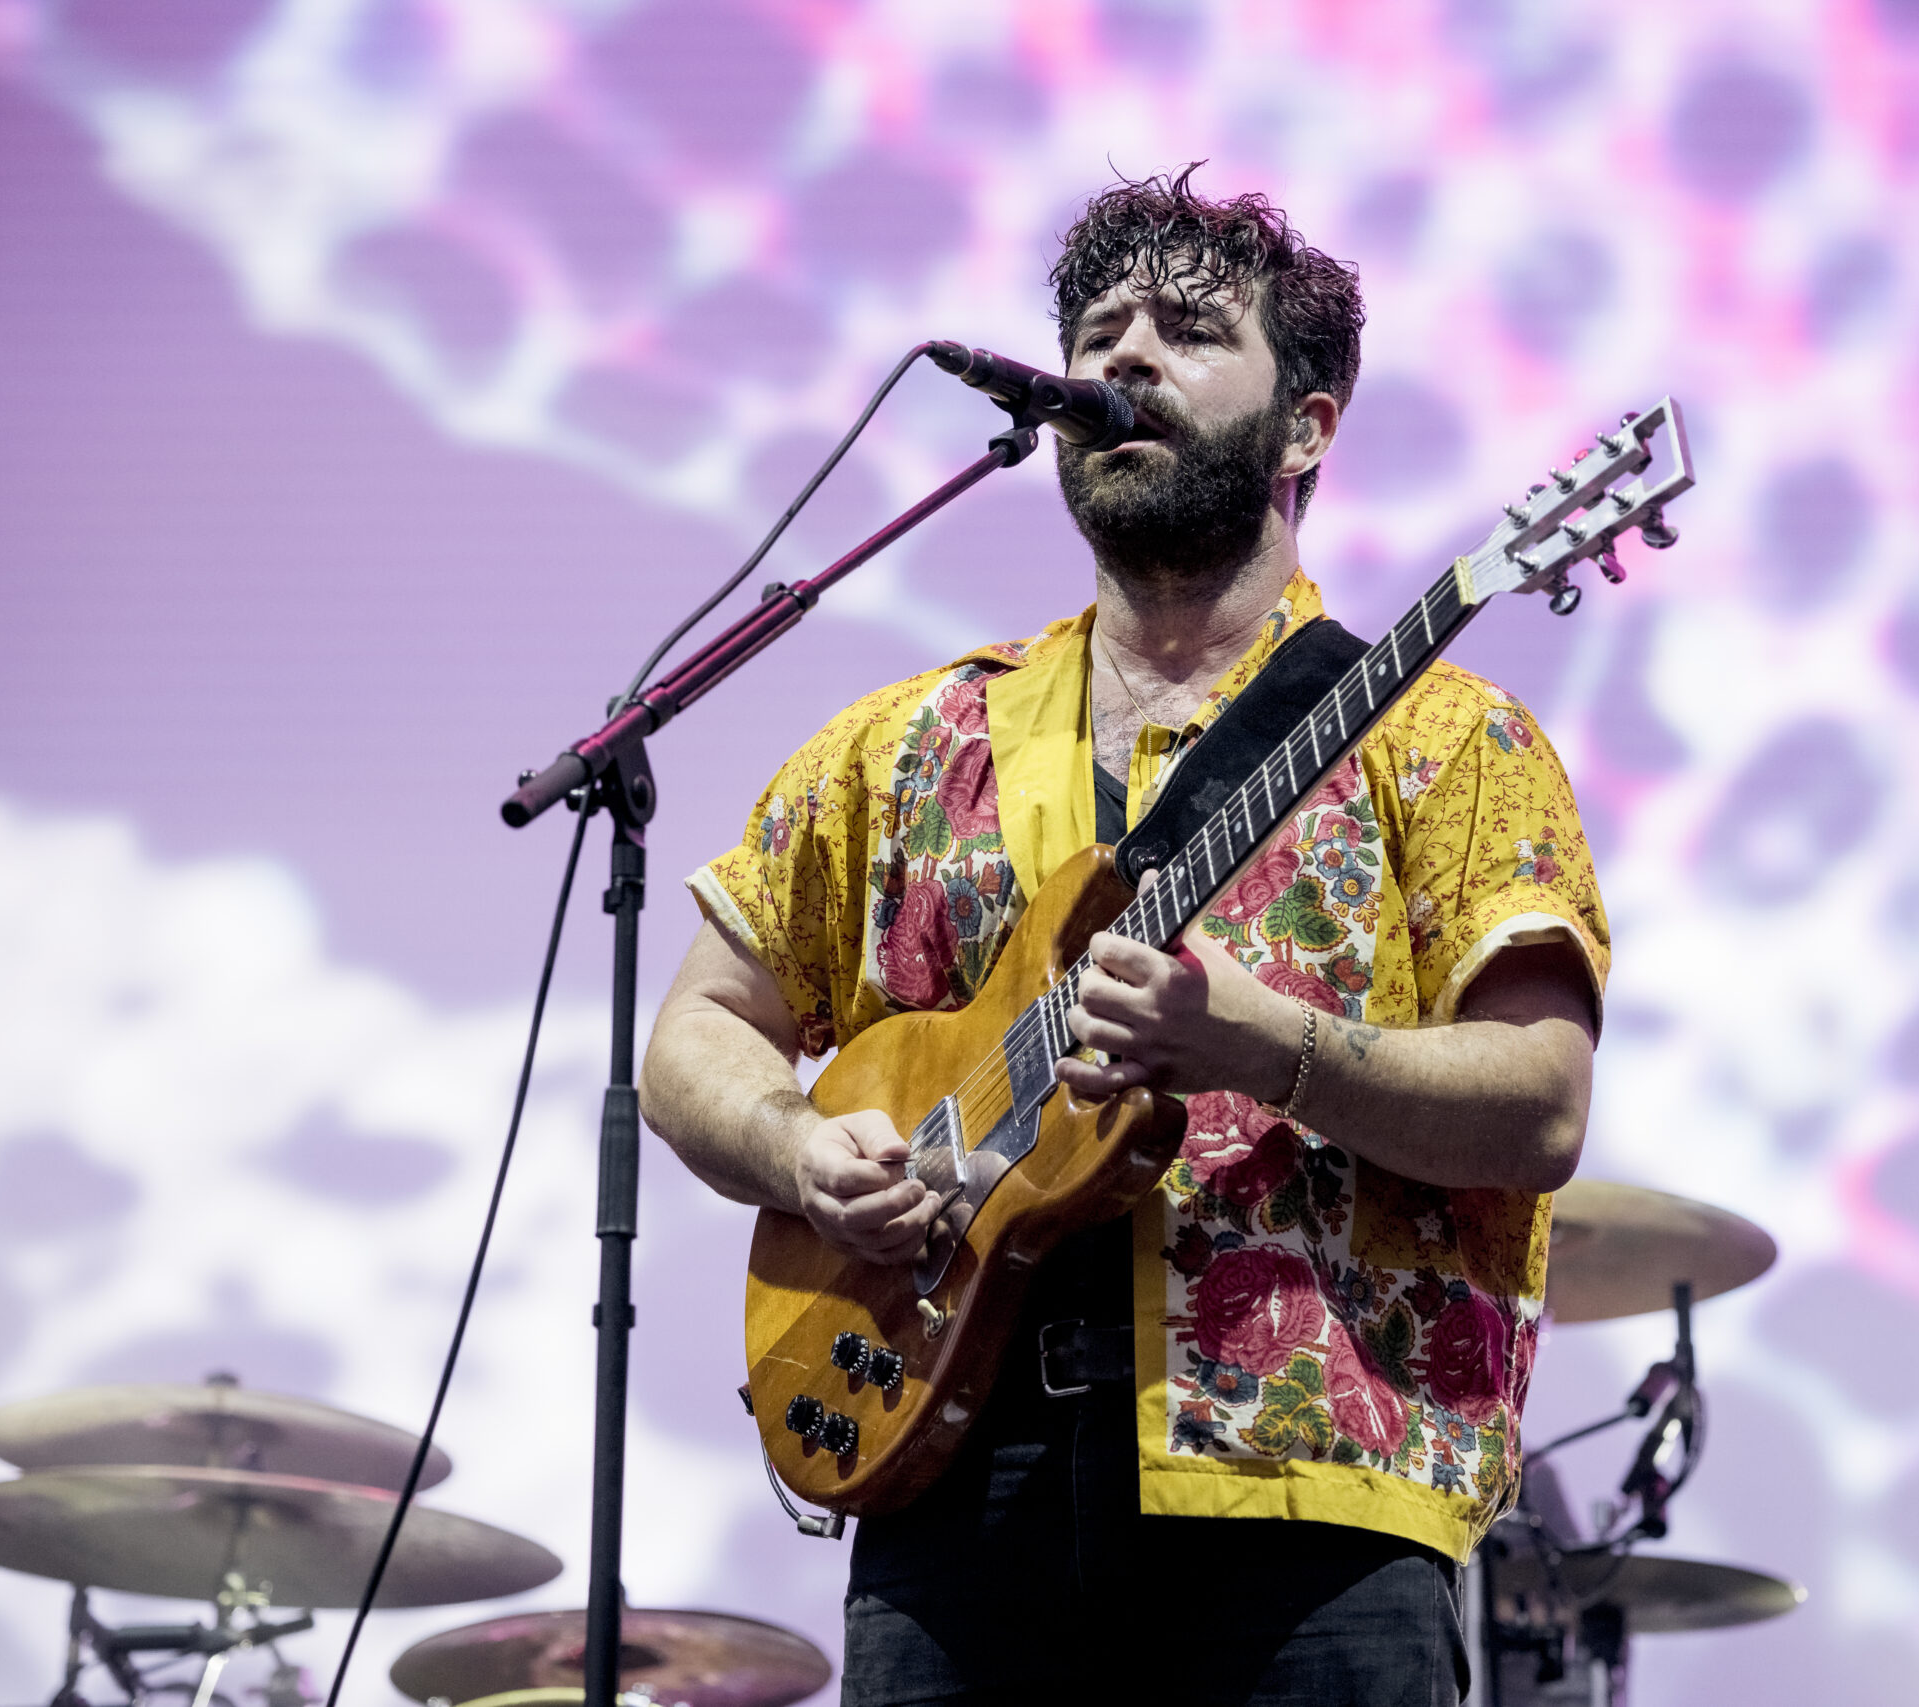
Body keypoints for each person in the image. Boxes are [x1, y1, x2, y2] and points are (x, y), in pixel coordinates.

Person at [640, 168, 1608, 1706]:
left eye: (1190, 330)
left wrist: (1261, 1044)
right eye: (1098, 332)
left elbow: (1540, 1105)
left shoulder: (1446, 738)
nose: (1126, 357)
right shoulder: (907, 743)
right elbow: (701, 1029)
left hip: (1310, 1503)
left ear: (1307, 428)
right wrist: (797, 1151)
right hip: (950, 1482)